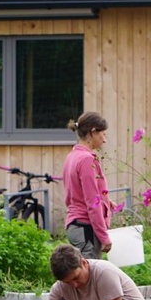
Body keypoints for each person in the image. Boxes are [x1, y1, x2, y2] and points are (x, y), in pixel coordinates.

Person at [62, 111, 114, 259]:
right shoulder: (86, 160)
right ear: (93, 132)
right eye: (103, 134)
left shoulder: (72, 156)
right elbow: (92, 202)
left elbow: (77, 192)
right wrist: (104, 237)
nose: (104, 140)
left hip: (75, 225)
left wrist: (106, 203)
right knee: (88, 277)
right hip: (86, 228)